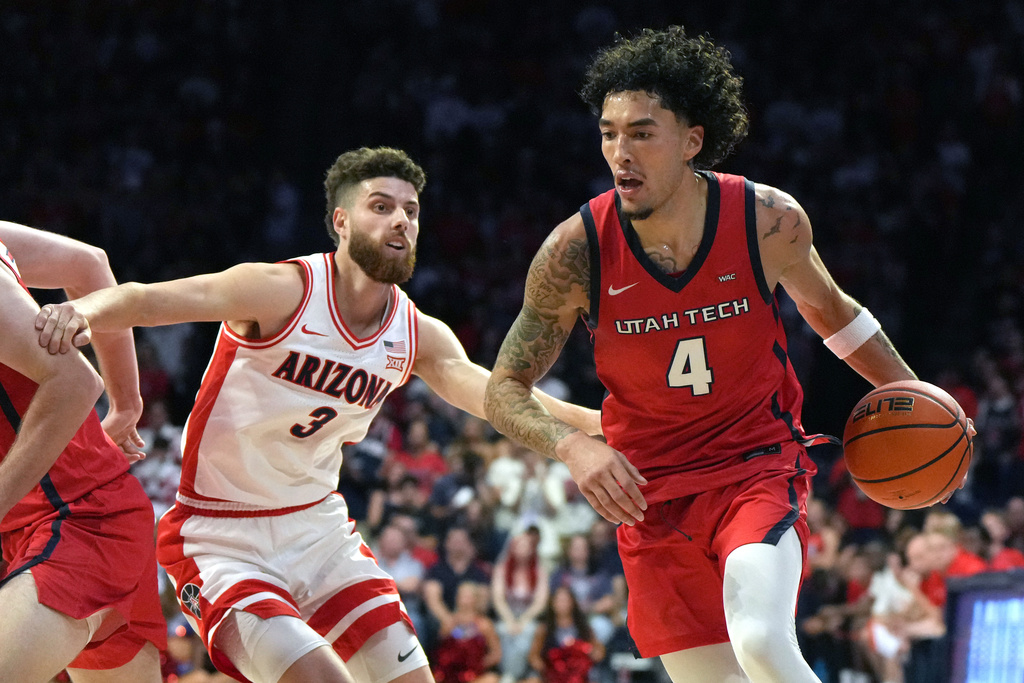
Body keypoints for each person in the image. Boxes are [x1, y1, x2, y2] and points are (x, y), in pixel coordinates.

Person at [483, 27, 973, 683]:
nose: (620, 152)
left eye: (642, 132)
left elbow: (837, 316)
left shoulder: (766, 219)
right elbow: (504, 388)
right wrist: (574, 447)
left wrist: (923, 404)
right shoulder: (576, 252)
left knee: (763, 642)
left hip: (754, 468)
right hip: (649, 497)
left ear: (693, 139)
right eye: (608, 133)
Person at [37, 147, 601, 683]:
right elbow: (143, 299)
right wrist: (79, 311)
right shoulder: (281, 291)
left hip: (319, 531)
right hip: (221, 536)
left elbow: (502, 393)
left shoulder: (417, 334)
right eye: (381, 207)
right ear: (342, 222)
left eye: (411, 210)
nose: (401, 221)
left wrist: (597, 425)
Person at [0, 221, 166, 682]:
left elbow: (74, 382)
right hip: (35, 528)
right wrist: (127, 402)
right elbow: (87, 263)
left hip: (79, 520)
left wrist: (126, 400)